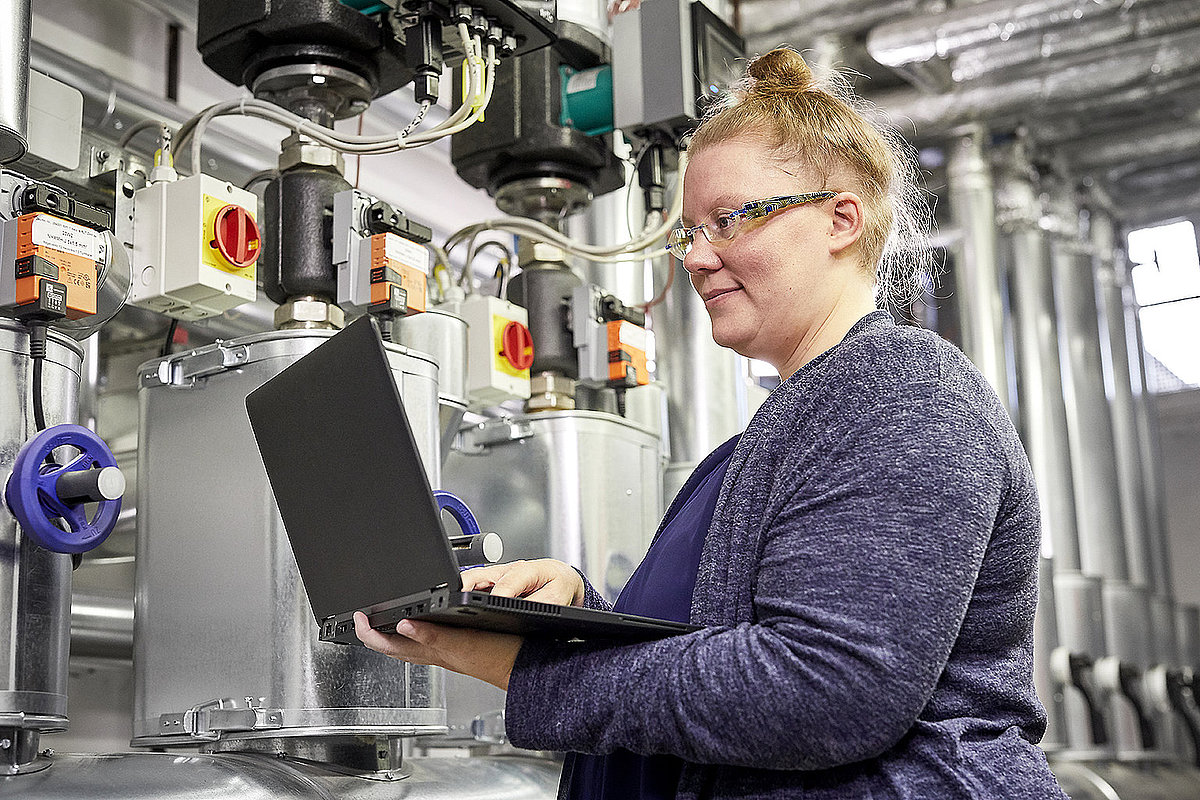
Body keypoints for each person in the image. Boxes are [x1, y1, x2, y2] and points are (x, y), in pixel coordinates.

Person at [354, 47, 1068, 799]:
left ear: (841, 219)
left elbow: (822, 691)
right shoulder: (762, 442)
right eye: (687, 232)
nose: (695, 258)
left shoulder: (902, 393)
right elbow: (717, 653)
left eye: (730, 220)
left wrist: (523, 670)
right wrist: (575, 614)